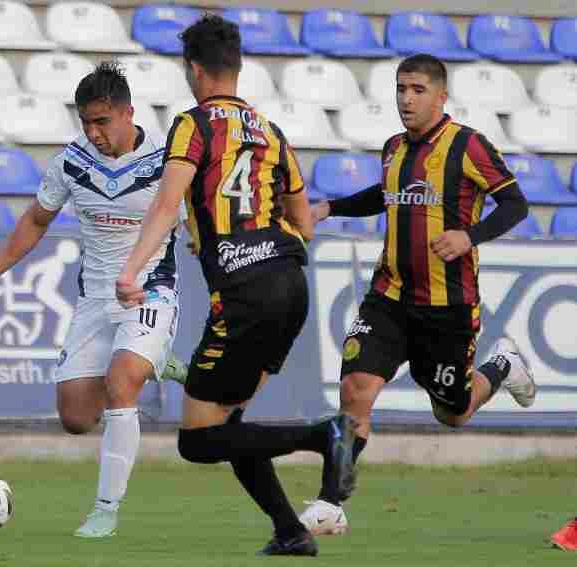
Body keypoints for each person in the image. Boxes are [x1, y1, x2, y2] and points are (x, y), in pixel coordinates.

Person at [115, 14, 357, 557]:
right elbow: (304, 221)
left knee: (198, 441)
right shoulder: (271, 131)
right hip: (291, 286)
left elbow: (166, 200)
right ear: (236, 68)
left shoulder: (192, 125)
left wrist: (131, 269)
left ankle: (323, 435)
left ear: (195, 71)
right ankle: (291, 531)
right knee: (229, 421)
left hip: (245, 294)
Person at [301, 53, 537, 536]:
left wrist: (470, 236)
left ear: (440, 96)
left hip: (447, 308)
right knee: (355, 389)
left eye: (417, 90)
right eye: (401, 89)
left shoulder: (468, 145)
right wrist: (328, 207)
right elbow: (382, 193)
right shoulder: (393, 148)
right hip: (389, 298)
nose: (406, 99)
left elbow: (515, 203)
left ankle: (502, 366)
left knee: (453, 413)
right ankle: (330, 504)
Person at [0, 62, 187, 539]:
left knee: (121, 382)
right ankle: (159, 360)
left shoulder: (165, 163)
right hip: (94, 300)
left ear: (128, 113)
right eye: (85, 122)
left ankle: (105, 509)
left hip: (151, 290)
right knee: (75, 417)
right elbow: (35, 220)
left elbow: (193, 230)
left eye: (101, 121)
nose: (93, 132)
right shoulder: (72, 162)